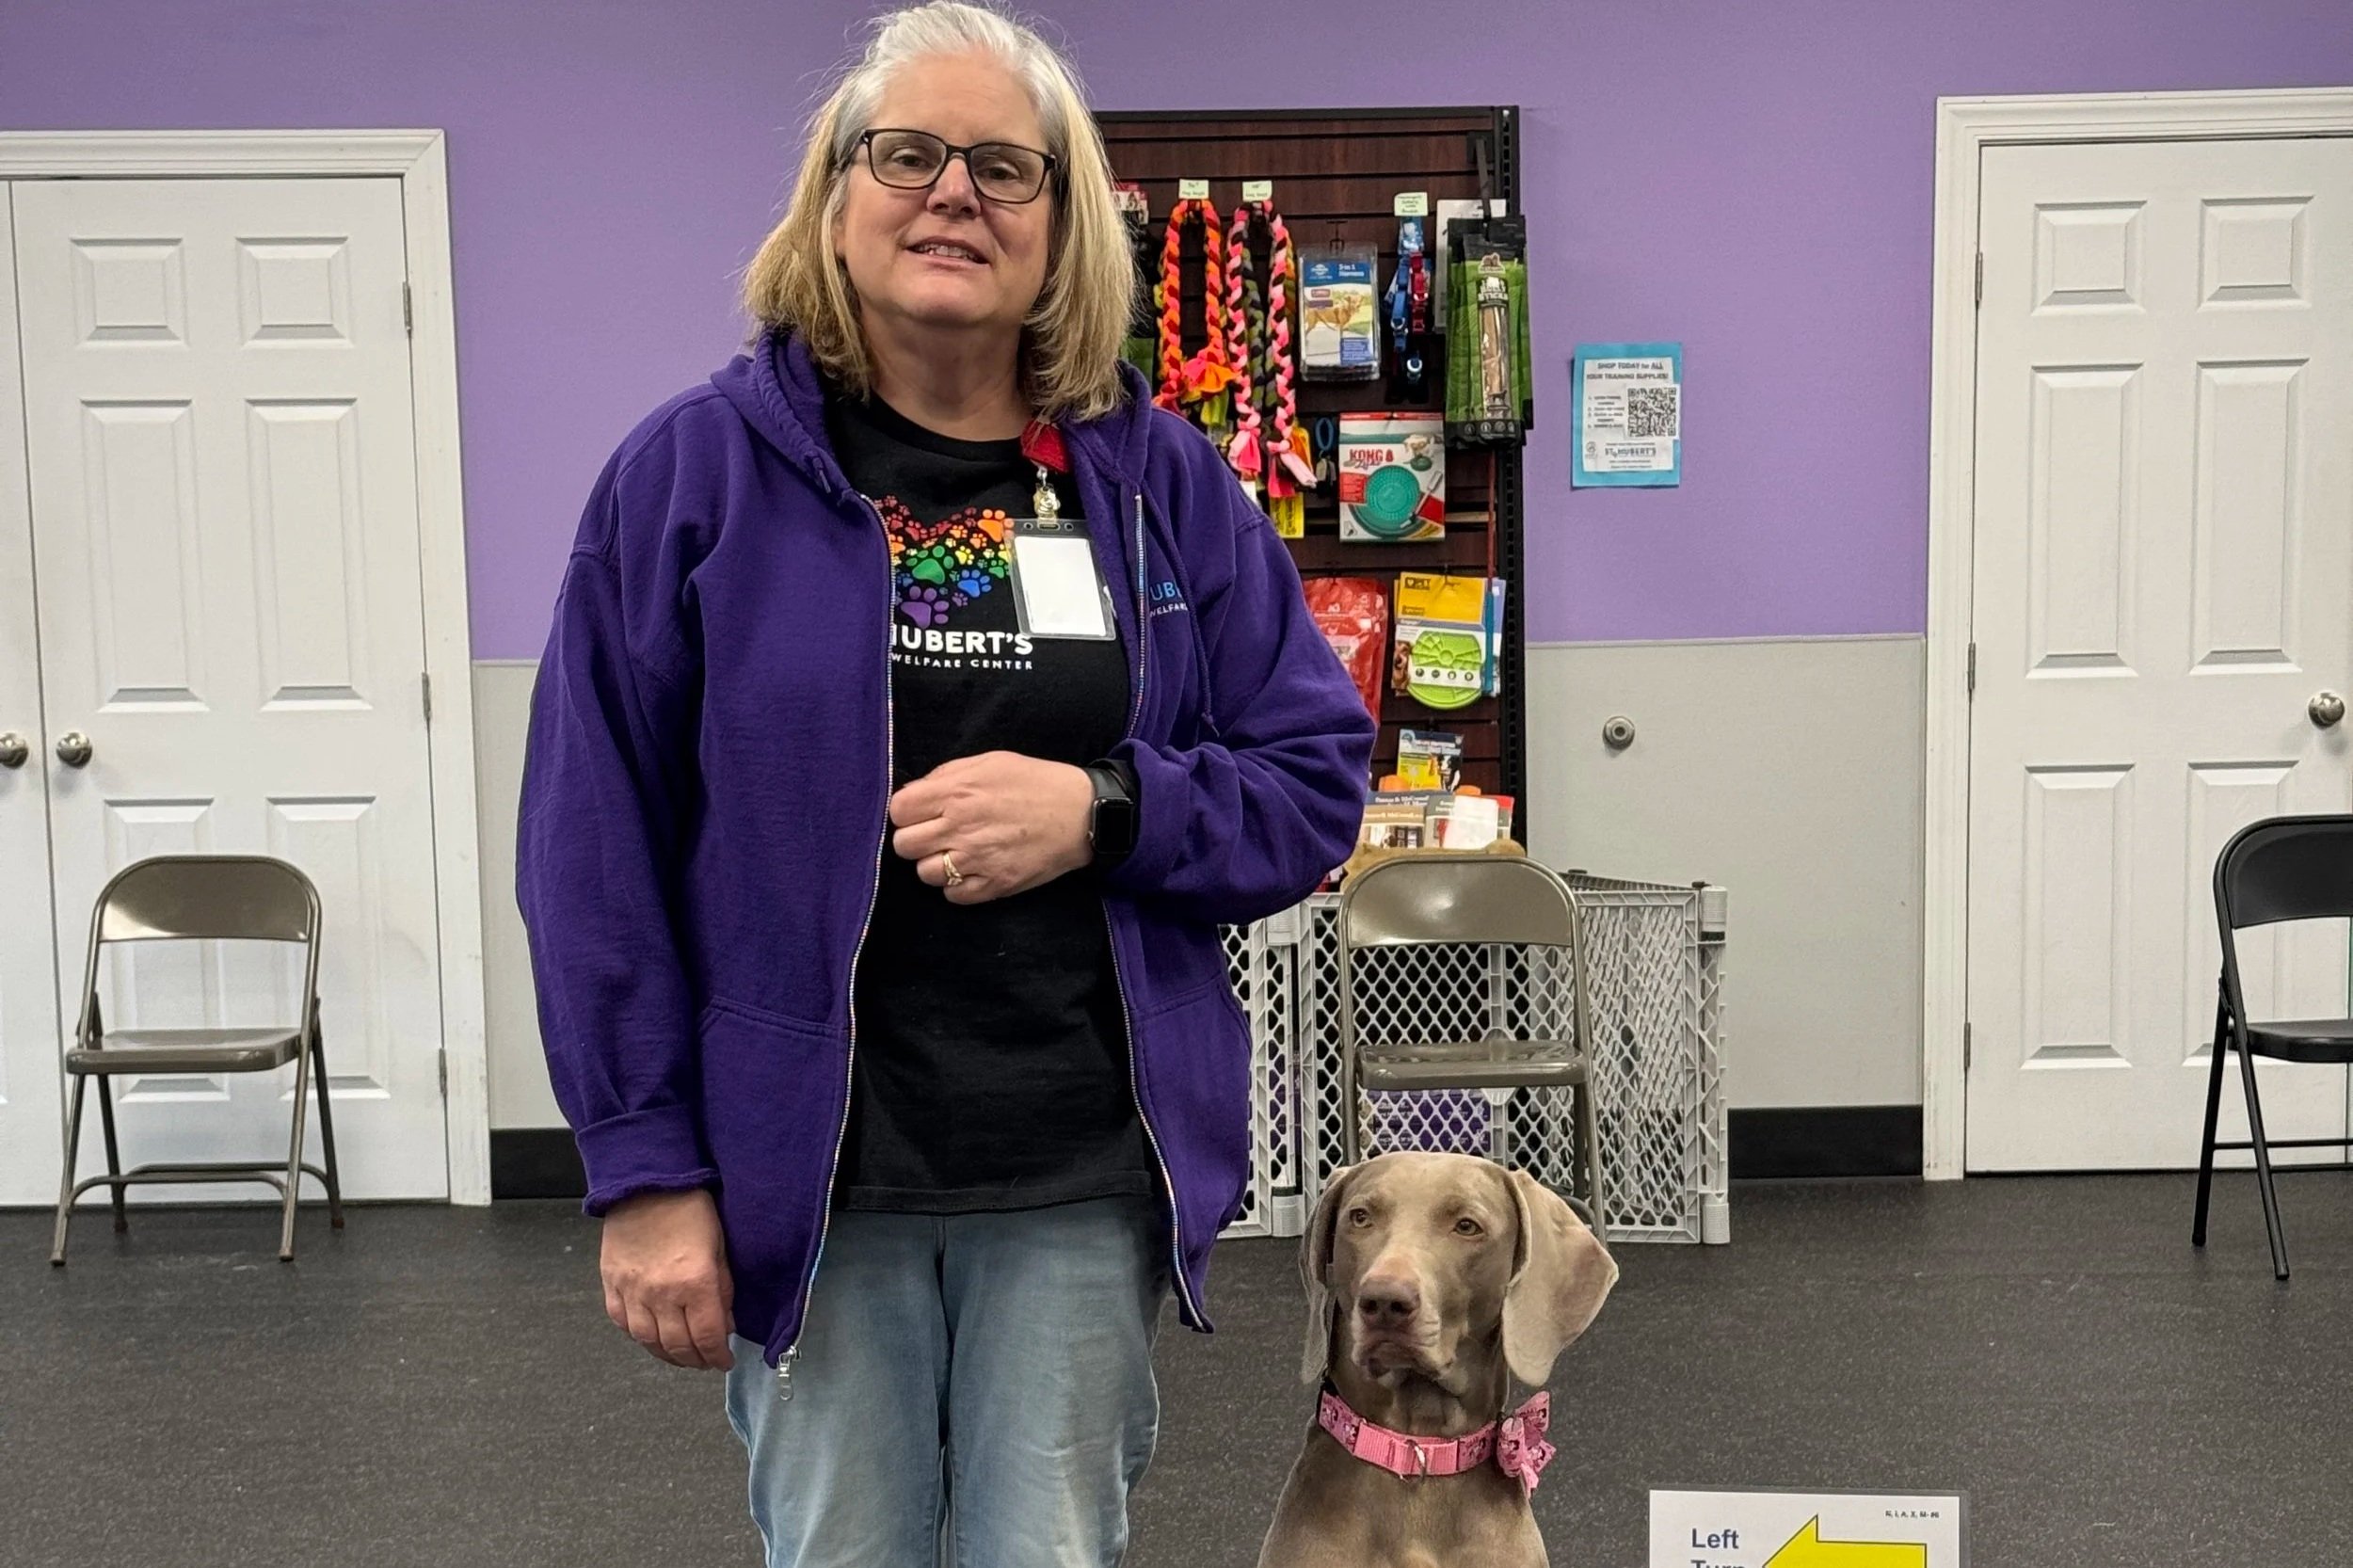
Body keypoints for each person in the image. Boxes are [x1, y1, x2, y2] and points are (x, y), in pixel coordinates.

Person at [515, 4, 1376, 1563]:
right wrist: (642, 1166)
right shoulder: (689, 481)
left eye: (1003, 165)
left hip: (1074, 1169)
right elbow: (591, 852)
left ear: (1061, 220)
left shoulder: (1158, 482)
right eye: (906, 153)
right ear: (835, 196)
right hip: (812, 1173)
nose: (954, 194)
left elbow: (1313, 774)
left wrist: (1105, 811)